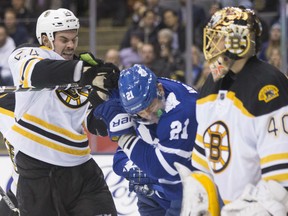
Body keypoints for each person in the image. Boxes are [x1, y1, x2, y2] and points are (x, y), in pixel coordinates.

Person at [5, 8, 118, 216]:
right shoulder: (26, 54)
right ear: (46, 39)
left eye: (74, 39)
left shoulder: (84, 67)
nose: (71, 45)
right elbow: (39, 73)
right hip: (37, 172)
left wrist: (107, 97)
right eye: (64, 39)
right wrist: (85, 73)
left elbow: (97, 125)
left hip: (82, 170)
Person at [182, 6, 288, 215]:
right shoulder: (210, 85)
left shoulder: (268, 85)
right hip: (232, 205)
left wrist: (260, 207)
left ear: (239, 39)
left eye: (219, 36)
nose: (212, 42)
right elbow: (203, 165)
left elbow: (281, 177)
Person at [93, 64, 198, 215]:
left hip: (184, 191)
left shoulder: (182, 111)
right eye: (139, 113)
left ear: (160, 89)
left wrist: (122, 136)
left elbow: (162, 168)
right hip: (152, 196)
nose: (148, 116)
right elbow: (119, 160)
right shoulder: (138, 100)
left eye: (150, 107)